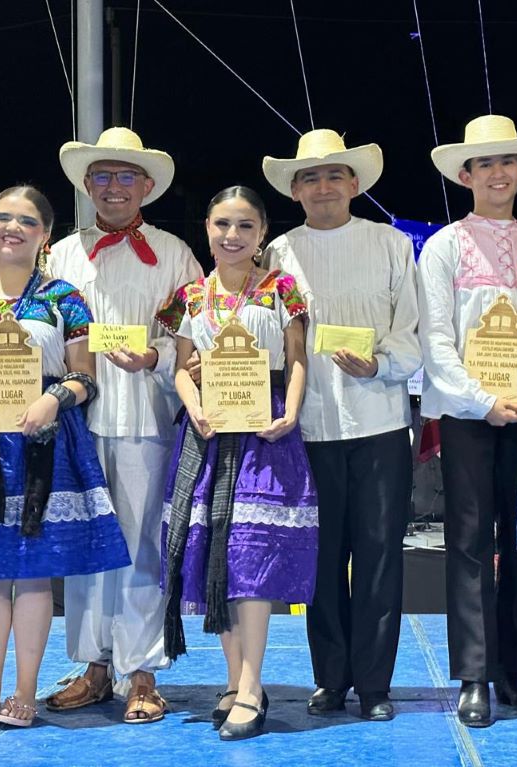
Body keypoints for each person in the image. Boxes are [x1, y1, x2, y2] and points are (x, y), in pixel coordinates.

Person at [0, 185, 131, 731]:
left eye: (27, 221)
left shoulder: (64, 297)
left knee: (34, 575)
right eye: (2, 217)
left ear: (44, 235)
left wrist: (55, 397)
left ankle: (25, 694)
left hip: (44, 445)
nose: (13, 227)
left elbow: (87, 375)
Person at [263, 129, 422, 721]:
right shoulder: (278, 253)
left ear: (355, 183)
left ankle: (376, 686)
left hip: (380, 424)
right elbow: (264, 337)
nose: (323, 186)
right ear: (295, 190)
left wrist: (381, 364)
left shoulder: (389, 243)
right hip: (306, 430)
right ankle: (330, 679)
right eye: (310, 177)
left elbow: (413, 330)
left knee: (381, 558)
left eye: (334, 175)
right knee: (321, 560)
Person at [45, 127, 203, 723]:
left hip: (146, 418)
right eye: (104, 177)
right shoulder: (59, 255)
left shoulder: (174, 254)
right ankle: (93, 665)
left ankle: (142, 672)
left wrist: (155, 358)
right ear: (87, 186)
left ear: (147, 187)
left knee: (141, 544)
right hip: (77, 421)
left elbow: (192, 342)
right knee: (86, 545)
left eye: (126, 177)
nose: (114, 188)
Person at [156, 186, 318, 740]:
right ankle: (233, 680)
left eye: (245, 226)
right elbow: (181, 368)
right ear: (206, 227)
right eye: (222, 224)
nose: (232, 236)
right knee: (218, 553)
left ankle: (252, 685)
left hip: (266, 433)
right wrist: (194, 405)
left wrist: (291, 412)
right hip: (208, 434)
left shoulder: (283, 290)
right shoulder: (188, 297)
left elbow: (297, 361)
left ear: (263, 232)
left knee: (252, 559)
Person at [418, 115, 517, 727]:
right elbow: (436, 340)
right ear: (464, 175)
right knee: (470, 540)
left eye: (507, 162)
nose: (497, 173)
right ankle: (475, 672)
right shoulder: (445, 244)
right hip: (472, 412)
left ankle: (515, 668)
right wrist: (480, 401)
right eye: (484, 164)